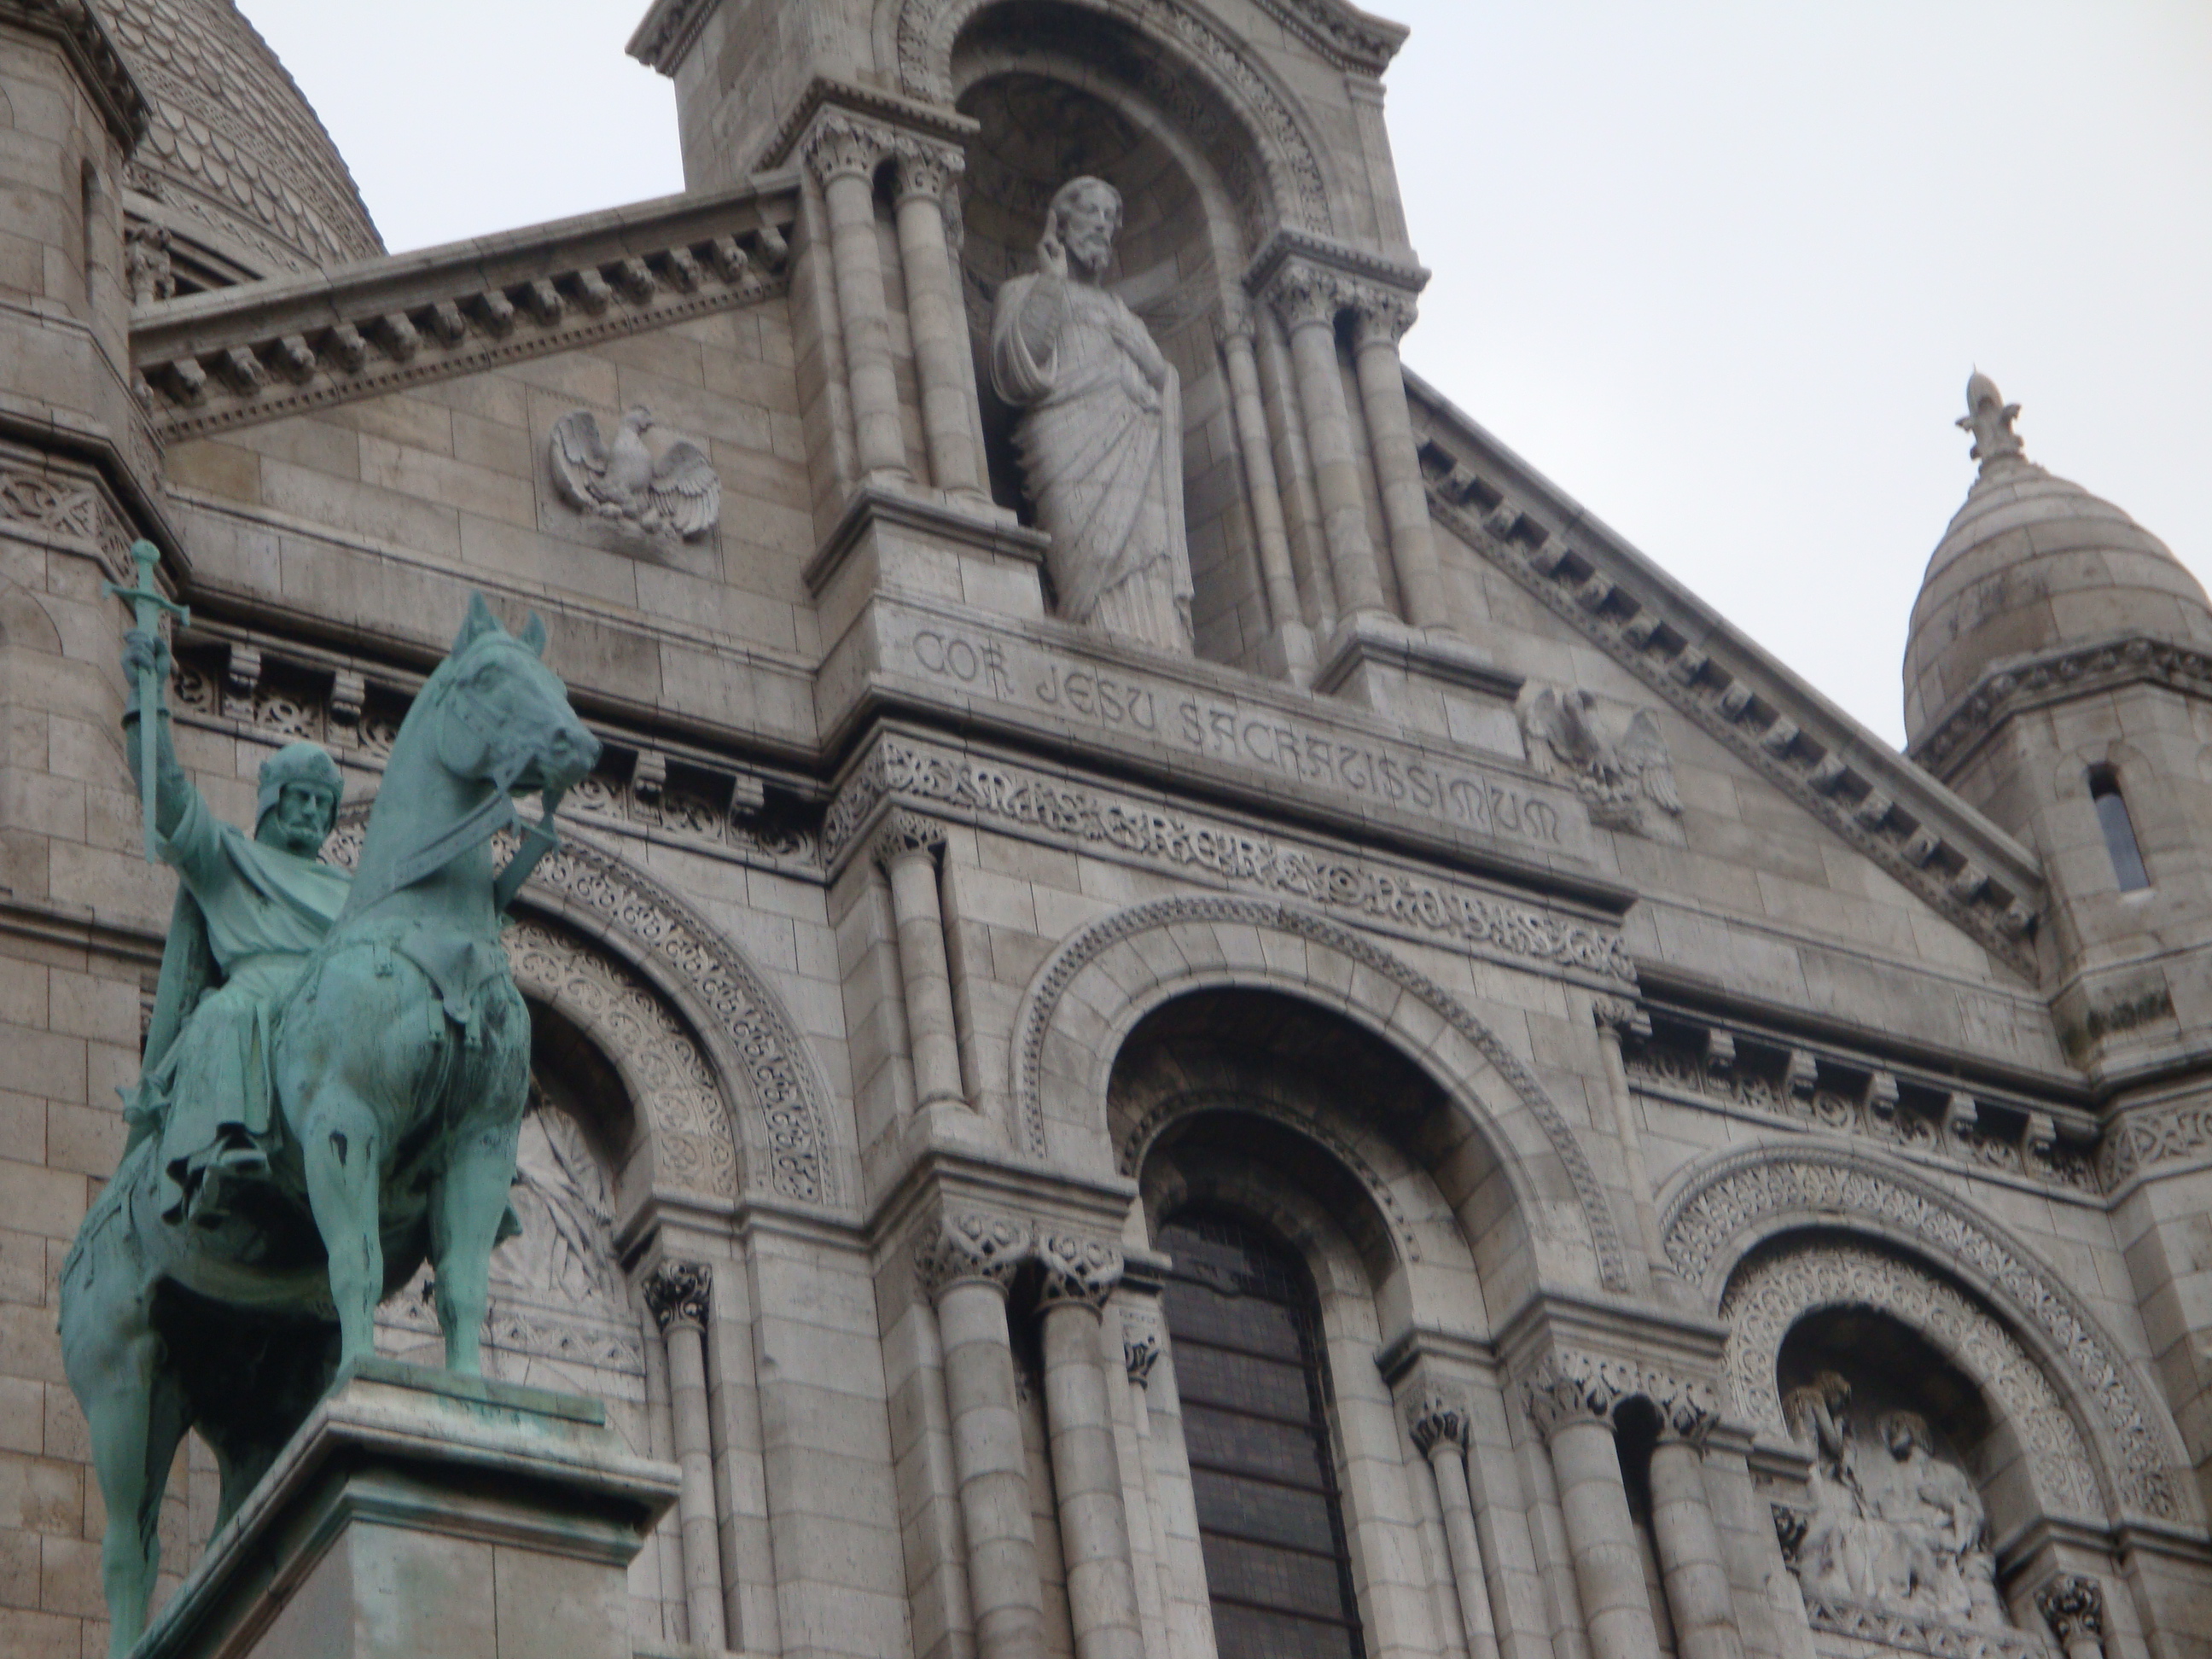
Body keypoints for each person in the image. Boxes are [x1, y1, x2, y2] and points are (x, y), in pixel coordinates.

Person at [119, 628, 350, 1225]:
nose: (310, 812)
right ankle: (224, 1148)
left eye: (322, 804)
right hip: (257, 987)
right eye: (299, 797)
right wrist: (148, 699)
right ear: (273, 801)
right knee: (223, 1014)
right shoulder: (227, 858)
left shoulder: (350, 890)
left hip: (335, 994)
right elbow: (166, 798)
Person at [990, 175, 1194, 653]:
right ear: (1060, 224)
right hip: (1064, 449)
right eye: (1091, 214)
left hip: (1138, 454)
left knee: (1145, 551)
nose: (1103, 226)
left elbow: (1163, 384)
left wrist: (1153, 369)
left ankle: (1160, 647)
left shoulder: (1124, 313)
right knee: (1089, 555)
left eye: (1110, 218)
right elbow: (1018, 370)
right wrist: (1052, 282)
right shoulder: (1023, 291)